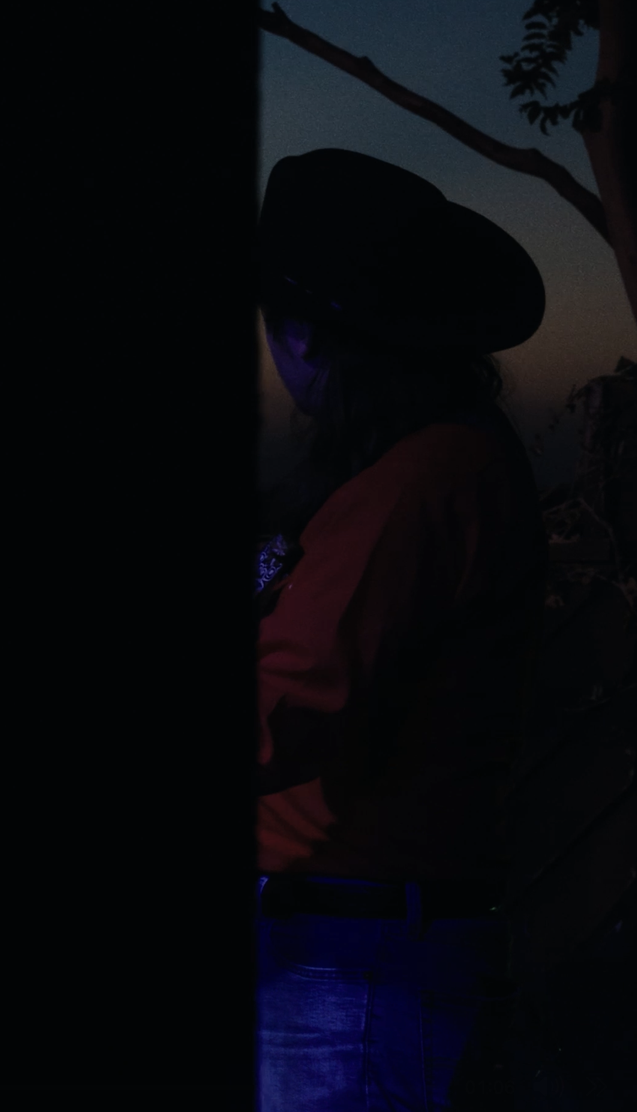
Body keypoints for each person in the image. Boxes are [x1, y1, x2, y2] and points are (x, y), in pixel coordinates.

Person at [251, 149, 547, 1110]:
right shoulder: (425, 467)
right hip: (361, 952)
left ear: (305, 334)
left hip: (358, 966)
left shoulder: (418, 484)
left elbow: (280, 710)